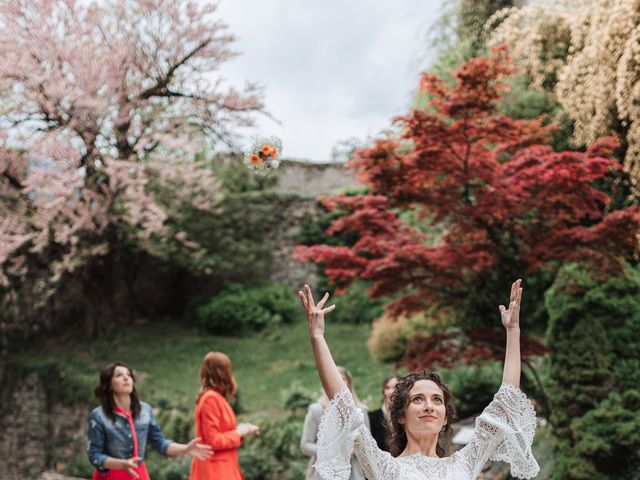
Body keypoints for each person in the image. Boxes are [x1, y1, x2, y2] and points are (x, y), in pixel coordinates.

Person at [298, 279, 540, 480]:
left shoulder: (465, 463)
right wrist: (317, 337)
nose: (429, 406)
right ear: (401, 415)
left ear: (445, 415)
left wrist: (513, 332)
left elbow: (506, 400)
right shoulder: (386, 468)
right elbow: (343, 404)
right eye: (418, 399)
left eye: (437, 400)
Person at [87, 362, 212, 480]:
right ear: (109, 385)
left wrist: (185, 449)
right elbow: (94, 455)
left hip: (139, 473)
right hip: (112, 475)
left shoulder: (145, 410)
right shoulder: (98, 416)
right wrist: (121, 464)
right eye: (119, 375)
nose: (126, 378)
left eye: (129, 375)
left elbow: (160, 443)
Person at [190, 352, 260, 480]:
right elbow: (213, 440)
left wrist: (243, 430)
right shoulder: (210, 399)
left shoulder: (217, 397)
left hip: (225, 468)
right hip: (214, 471)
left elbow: (222, 432)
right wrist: (238, 433)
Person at [301, 366, 371, 480]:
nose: (338, 382)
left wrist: (355, 449)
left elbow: (368, 445)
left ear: (349, 382)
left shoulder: (360, 411)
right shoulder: (317, 410)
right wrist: (332, 451)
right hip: (323, 475)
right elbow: (305, 445)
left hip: (354, 474)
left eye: (342, 378)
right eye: (333, 378)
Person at [368, 375, 399, 452]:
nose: (391, 391)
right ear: (383, 391)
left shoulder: (407, 417)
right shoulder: (371, 418)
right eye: (387, 388)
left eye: (395, 388)